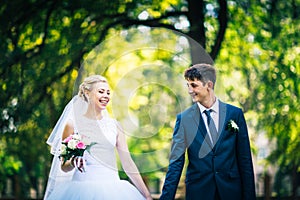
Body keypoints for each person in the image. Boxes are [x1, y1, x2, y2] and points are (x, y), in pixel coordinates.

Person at [44, 75, 152, 200]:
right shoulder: (72, 124)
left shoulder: (115, 126)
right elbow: (64, 166)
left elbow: (128, 164)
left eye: (108, 93)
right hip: (80, 191)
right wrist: (73, 162)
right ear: (87, 93)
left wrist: (147, 195)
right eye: (101, 92)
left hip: (114, 191)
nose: (106, 96)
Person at [160, 64, 256, 200]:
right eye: (188, 85)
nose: (189, 90)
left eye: (194, 85)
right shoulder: (184, 119)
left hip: (231, 192)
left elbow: (245, 159)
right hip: (199, 192)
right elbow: (176, 163)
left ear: (209, 85)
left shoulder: (235, 114)